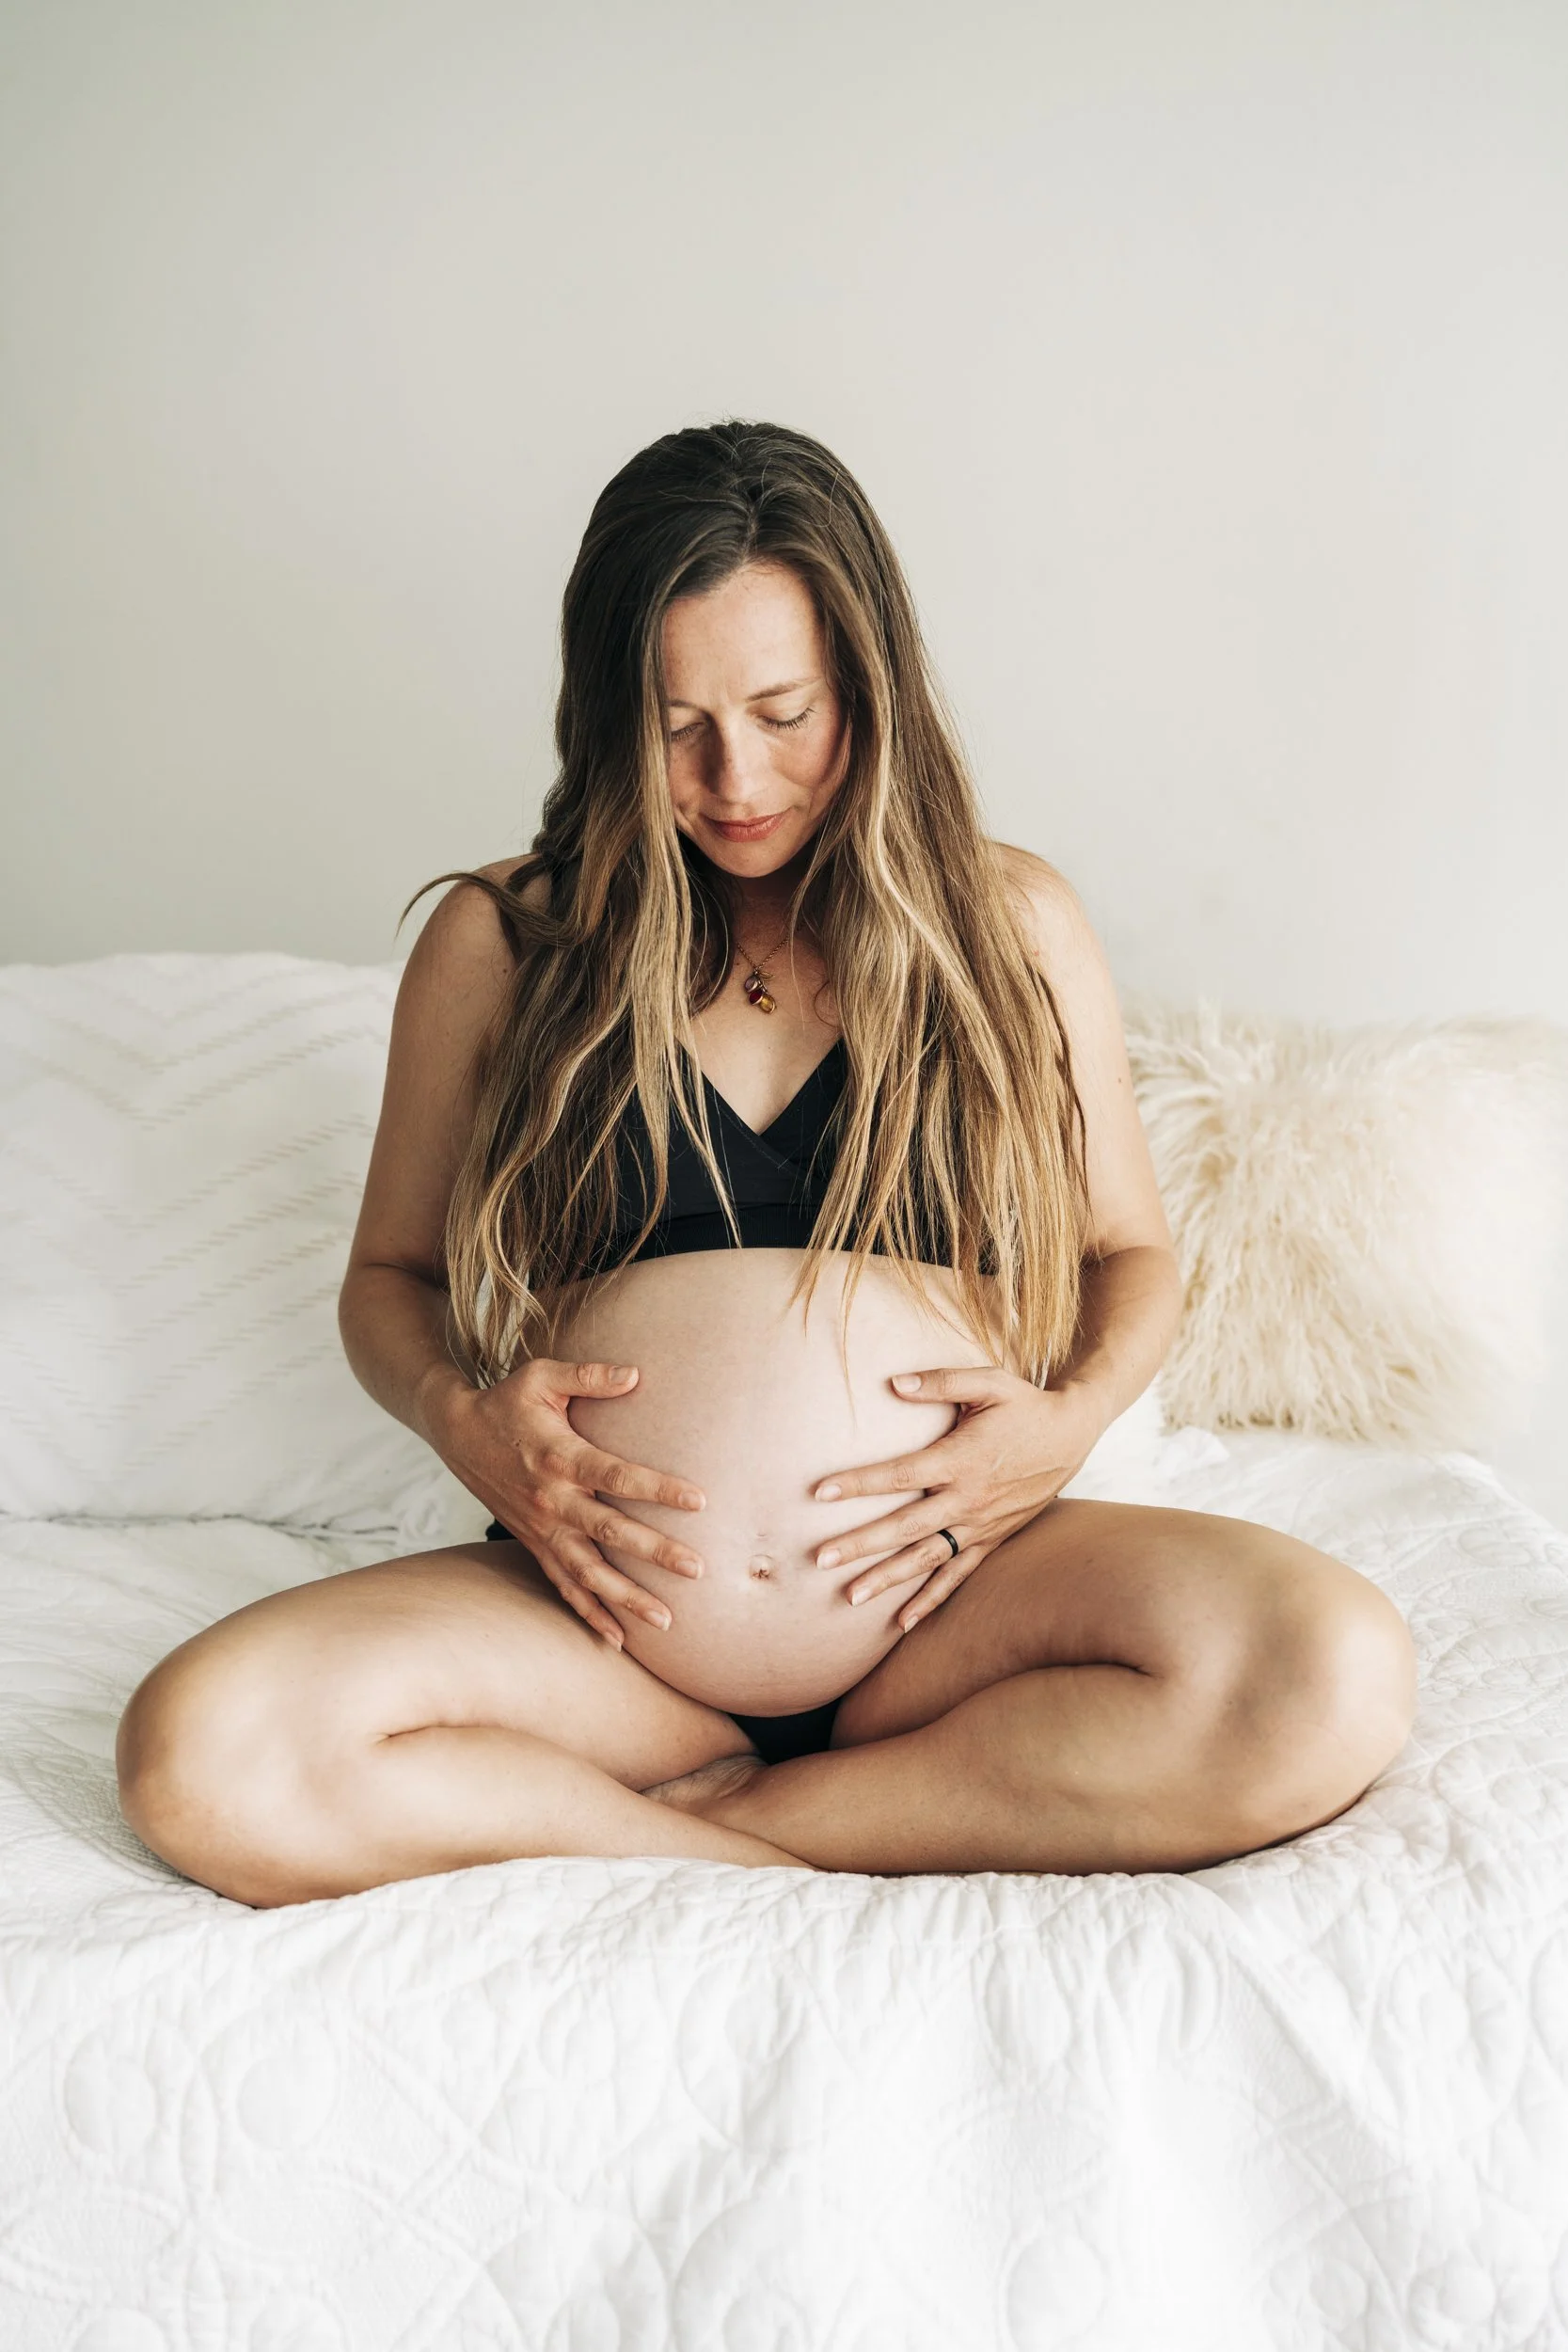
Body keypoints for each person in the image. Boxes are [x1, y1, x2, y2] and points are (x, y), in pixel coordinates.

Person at [116, 421, 1417, 1905]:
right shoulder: (504, 938)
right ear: (605, 716)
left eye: (784, 712)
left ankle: (749, 1828)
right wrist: (462, 1421)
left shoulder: (1012, 926)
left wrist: (1060, 1431)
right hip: (596, 1629)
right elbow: (389, 1279)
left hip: (952, 1604)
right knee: (197, 1753)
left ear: (870, 686)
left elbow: (1131, 1254)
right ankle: (752, 1832)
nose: (735, 777)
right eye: (675, 726)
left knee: (1329, 1673)